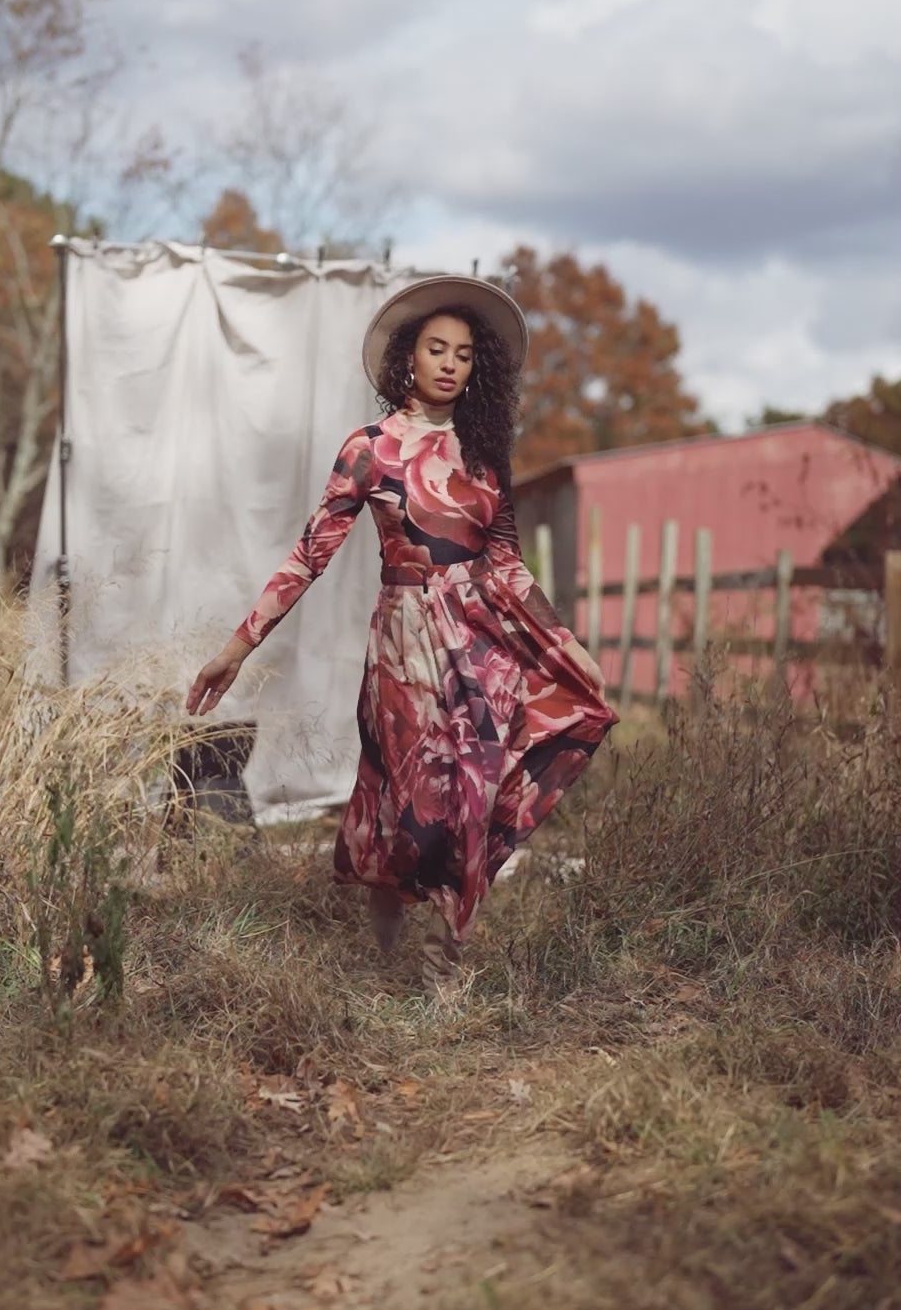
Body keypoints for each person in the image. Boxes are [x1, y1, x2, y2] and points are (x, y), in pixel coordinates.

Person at [187, 275, 617, 1001]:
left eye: (463, 354)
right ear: (408, 359)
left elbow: (508, 565)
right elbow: (310, 555)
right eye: (435, 349)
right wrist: (237, 648)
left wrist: (568, 646)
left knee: (473, 792)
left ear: (477, 369)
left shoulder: (484, 453)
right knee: (405, 804)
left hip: (481, 642)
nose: (449, 363)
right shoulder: (371, 449)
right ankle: (383, 958)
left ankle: (446, 963)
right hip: (405, 646)